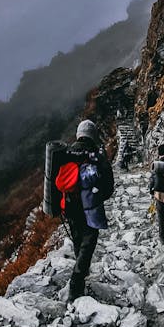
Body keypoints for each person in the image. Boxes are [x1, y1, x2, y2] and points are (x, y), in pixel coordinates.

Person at [65, 119, 114, 302]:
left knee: (78, 240)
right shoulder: (96, 154)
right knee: (89, 241)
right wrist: (96, 198)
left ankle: (81, 276)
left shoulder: (67, 153)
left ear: (78, 134)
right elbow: (109, 185)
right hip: (90, 207)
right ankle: (76, 283)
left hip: (69, 207)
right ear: (92, 134)